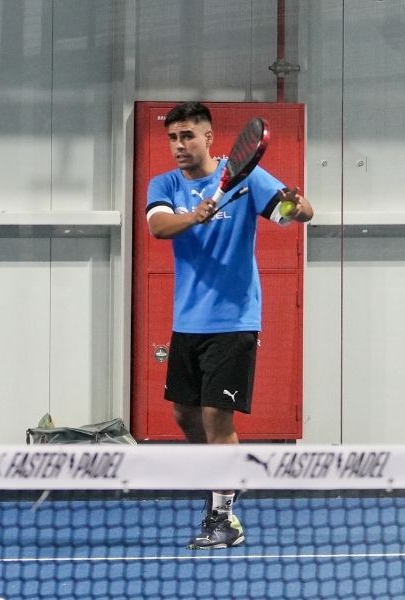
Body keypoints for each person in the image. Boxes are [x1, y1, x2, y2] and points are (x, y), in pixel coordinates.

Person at [145, 101, 312, 549]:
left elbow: (292, 213)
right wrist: (192, 216)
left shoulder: (247, 179)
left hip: (235, 319)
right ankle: (225, 476)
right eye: (173, 138)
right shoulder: (163, 184)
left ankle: (223, 518)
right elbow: (159, 227)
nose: (180, 146)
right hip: (187, 321)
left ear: (208, 138)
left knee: (218, 417)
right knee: (185, 414)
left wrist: (297, 203)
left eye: (188, 136)